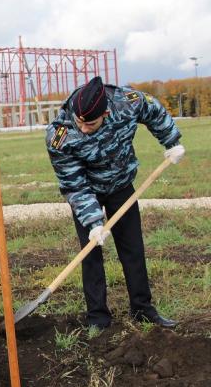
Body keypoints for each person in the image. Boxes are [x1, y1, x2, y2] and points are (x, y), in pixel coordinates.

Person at [45, 76, 185, 331]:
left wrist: (171, 142)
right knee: (91, 253)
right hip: (87, 190)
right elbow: (73, 183)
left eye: (92, 124)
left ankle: (142, 309)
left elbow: (153, 110)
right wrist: (93, 222)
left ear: (106, 113)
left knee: (132, 248)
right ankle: (98, 317)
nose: (84, 128)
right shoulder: (60, 135)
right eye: (80, 122)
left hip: (121, 185)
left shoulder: (126, 103)